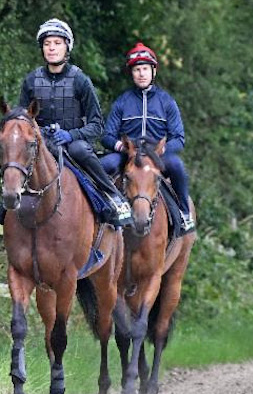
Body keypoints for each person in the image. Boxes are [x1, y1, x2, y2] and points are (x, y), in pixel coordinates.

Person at [17, 18, 132, 228]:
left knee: (80, 149)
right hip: (41, 143)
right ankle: (6, 207)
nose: (51, 48)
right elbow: (21, 121)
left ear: (66, 46)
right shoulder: (31, 81)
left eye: (57, 43)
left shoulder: (80, 80)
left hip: (72, 144)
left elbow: (97, 124)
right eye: (47, 44)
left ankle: (112, 197)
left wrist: (71, 135)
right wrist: (40, 132)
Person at [100, 42, 196, 235]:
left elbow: (179, 137)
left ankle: (184, 213)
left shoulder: (166, 101)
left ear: (153, 71)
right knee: (104, 165)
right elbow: (107, 135)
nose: (141, 73)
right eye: (137, 70)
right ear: (132, 73)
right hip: (128, 154)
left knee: (176, 166)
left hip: (157, 155)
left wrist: (162, 150)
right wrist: (120, 147)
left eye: (145, 69)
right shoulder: (122, 101)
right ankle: (101, 211)